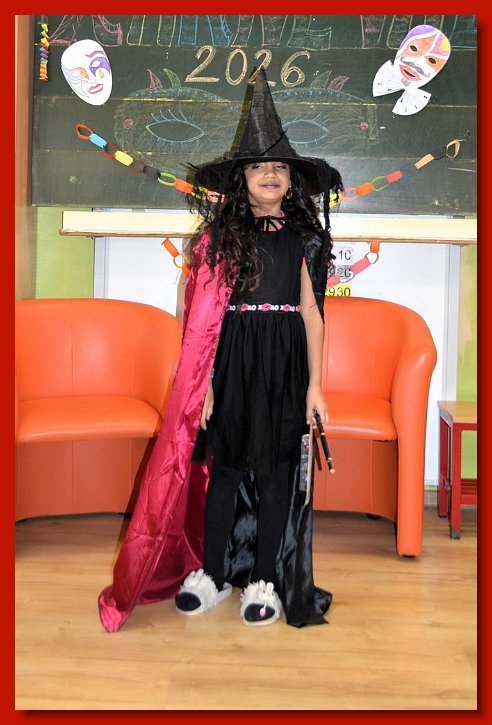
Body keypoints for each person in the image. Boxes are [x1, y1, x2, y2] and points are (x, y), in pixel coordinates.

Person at [98, 69, 343, 632]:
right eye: (258, 167)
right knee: (226, 469)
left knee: (276, 474)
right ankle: (210, 573)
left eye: (280, 167)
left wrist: (316, 386)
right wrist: (204, 382)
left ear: (292, 179)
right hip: (231, 361)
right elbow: (201, 319)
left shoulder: (306, 240)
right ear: (241, 179)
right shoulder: (219, 239)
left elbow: (312, 314)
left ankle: (265, 580)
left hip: (284, 364)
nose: (270, 175)